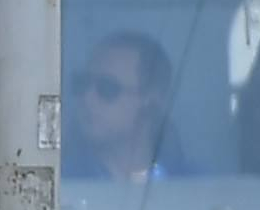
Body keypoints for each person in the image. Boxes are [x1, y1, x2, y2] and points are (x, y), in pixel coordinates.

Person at [77, 29, 189, 185]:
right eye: (81, 84)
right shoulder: (63, 181)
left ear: (150, 99)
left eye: (107, 87)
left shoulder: (194, 184)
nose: (87, 98)